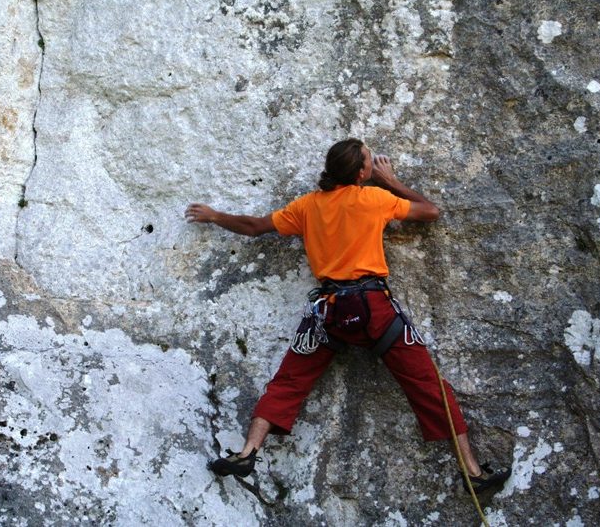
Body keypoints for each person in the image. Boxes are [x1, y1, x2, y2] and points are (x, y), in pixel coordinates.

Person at [185, 138, 511, 495]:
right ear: (361, 172)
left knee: (290, 380)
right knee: (428, 386)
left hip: (330, 312)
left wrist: (215, 215)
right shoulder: (374, 198)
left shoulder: (308, 207)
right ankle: (473, 473)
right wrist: (391, 181)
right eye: (370, 162)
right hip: (374, 309)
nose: (372, 165)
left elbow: (254, 226)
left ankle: (248, 451)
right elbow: (430, 211)